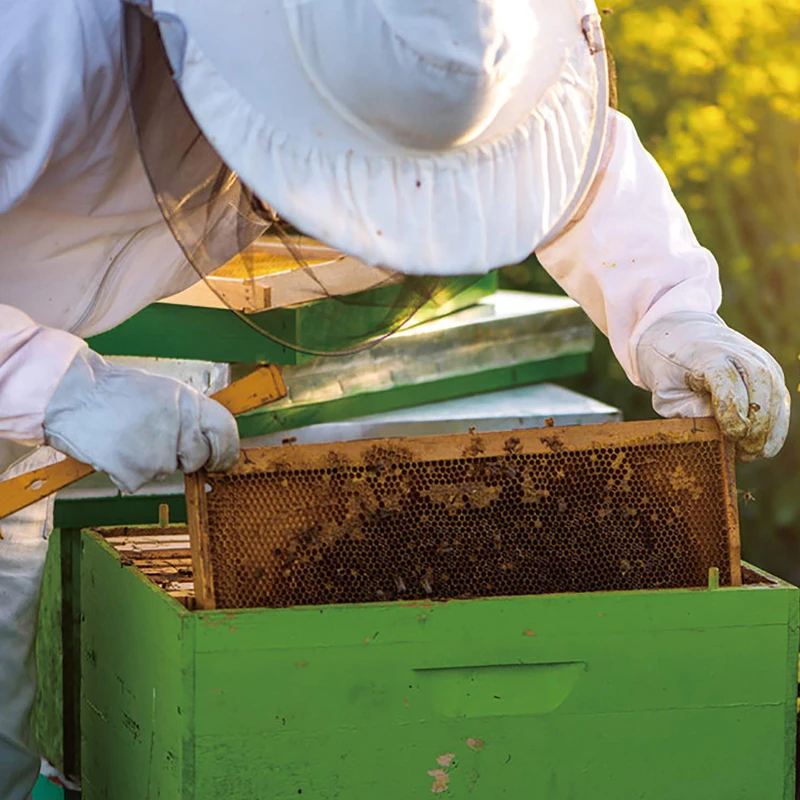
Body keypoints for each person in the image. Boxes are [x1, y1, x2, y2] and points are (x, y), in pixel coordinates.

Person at [1, 0, 789, 796]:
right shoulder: (37, 46)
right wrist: (58, 386)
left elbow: (558, 165)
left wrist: (670, 313)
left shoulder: (452, 37)